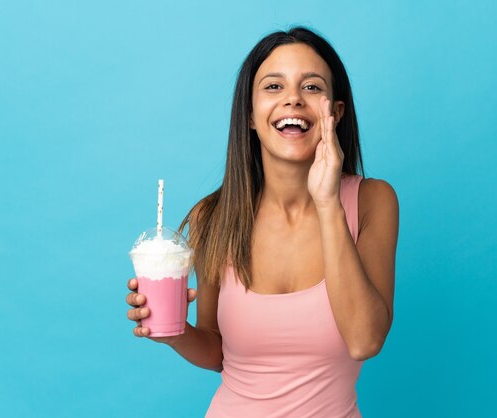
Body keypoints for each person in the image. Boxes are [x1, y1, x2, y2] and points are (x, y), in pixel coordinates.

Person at [126, 26, 399, 417]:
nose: (292, 99)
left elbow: (364, 341)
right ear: (251, 117)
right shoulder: (214, 216)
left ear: (335, 113)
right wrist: (172, 331)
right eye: (273, 87)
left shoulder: (373, 201)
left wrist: (327, 204)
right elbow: (217, 350)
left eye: (311, 87)